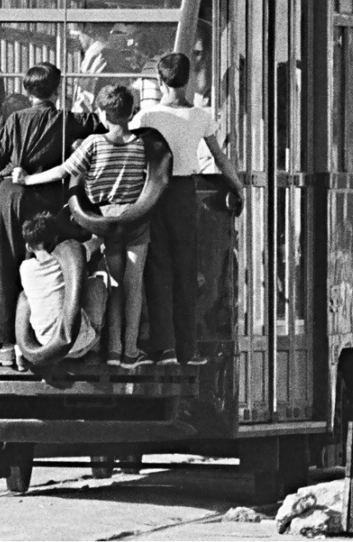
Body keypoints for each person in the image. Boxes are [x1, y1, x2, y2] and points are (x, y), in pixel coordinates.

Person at [14, 84, 151, 369]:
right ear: (131, 113)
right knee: (134, 286)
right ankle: (130, 350)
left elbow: (63, 171)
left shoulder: (94, 143)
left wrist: (27, 180)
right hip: (136, 222)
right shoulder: (141, 145)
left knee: (113, 285)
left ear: (102, 113)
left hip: (104, 222)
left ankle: (112, 352)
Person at [0, 63, 101, 367]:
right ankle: (41, 336)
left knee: (3, 264)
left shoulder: (15, 120)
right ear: (57, 89)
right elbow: (99, 126)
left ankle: (1, 344)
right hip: (47, 198)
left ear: (26, 91)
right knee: (44, 266)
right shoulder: (68, 120)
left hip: (11, 198)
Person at [132, 52, 245, 366]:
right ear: (189, 79)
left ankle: (164, 348)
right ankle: (188, 349)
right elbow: (219, 157)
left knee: (158, 270)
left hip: (154, 193)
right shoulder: (201, 116)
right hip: (186, 193)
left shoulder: (146, 116)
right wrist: (236, 185)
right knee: (186, 270)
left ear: (159, 80)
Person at [18, 211, 105, 361]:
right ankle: (95, 347)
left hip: (45, 347)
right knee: (96, 284)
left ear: (29, 247)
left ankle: (19, 350)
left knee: (27, 296)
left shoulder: (25, 268)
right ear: (56, 239)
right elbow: (97, 240)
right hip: (81, 345)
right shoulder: (74, 255)